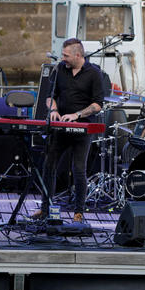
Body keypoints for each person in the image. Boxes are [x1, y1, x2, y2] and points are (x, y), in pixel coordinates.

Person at [32, 38, 104, 223]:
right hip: (61, 126)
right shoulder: (59, 71)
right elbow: (50, 97)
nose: (63, 58)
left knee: (78, 169)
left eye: (66, 55)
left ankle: (79, 212)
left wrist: (77, 115)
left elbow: (97, 105)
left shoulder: (94, 73)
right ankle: (45, 208)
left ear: (78, 55)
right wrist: (54, 110)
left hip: (82, 128)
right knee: (49, 165)